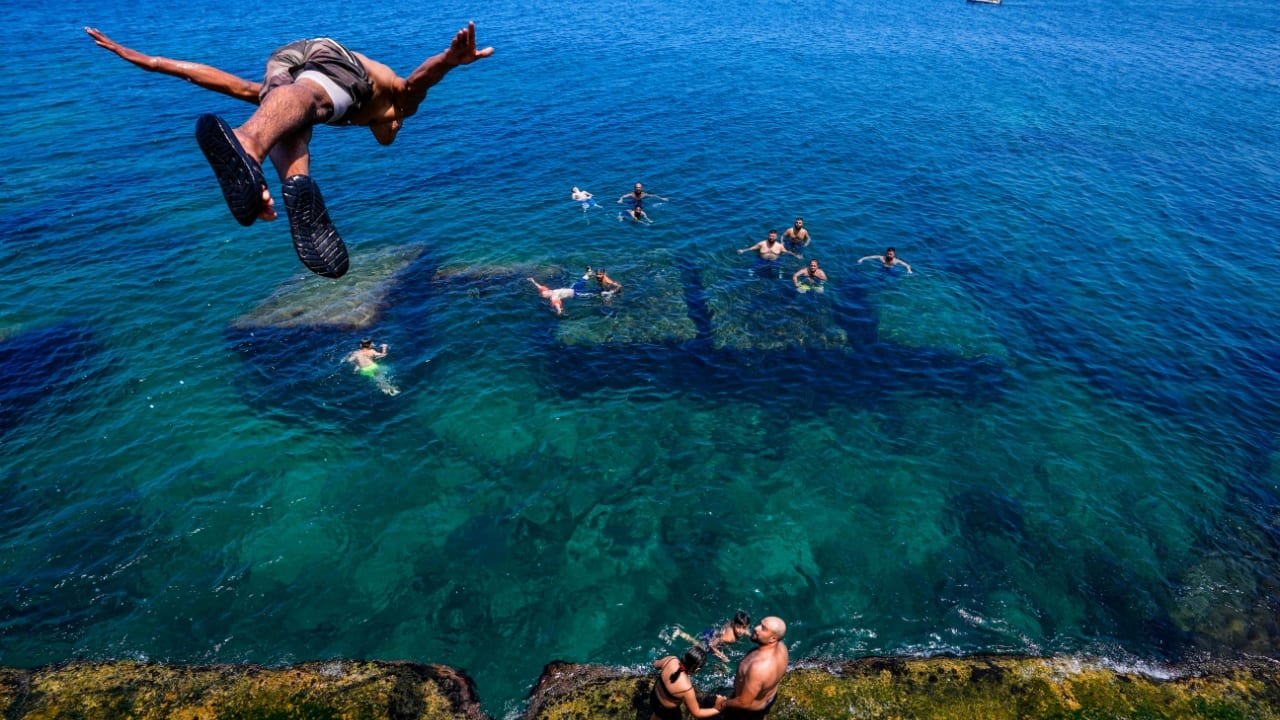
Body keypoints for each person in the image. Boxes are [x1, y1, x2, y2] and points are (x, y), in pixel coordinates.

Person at [84, 24, 494, 279]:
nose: (392, 133)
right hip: (332, 59)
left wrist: (150, 61)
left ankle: (293, 186)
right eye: (393, 132)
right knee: (313, 100)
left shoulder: (317, 105)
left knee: (285, 111)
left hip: (286, 60)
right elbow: (419, 80)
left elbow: (228, 84)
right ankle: (251, 146)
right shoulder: (398, 106)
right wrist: (449, 60)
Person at [714, 616, 789, 720]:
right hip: (769, 699)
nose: (756, 628)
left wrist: (723, 703)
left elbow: (743, 703)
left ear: (773, 638)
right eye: (760, 624)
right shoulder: (782, 648)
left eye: (763, 628)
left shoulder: (758, 668)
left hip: (747, 711)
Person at [650, 646, 721, 720]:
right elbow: (697, 713)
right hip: (665, 711)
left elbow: (656, 664)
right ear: (697, 670)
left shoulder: (671, 660)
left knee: (656, 714)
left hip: (654, 698)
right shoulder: (687, 689)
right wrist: (716, 709)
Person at [672, 611, 751, 663]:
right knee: (700, 646)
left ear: (747, 626)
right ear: (734, 624)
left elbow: (745, 631)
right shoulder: (728, 638)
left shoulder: (738, 626)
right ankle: (680, 633)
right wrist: (722, 656)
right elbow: (711, 644)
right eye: (738, 627)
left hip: (714, 634)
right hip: (710, 640)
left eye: (744, 627)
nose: (741, 631)